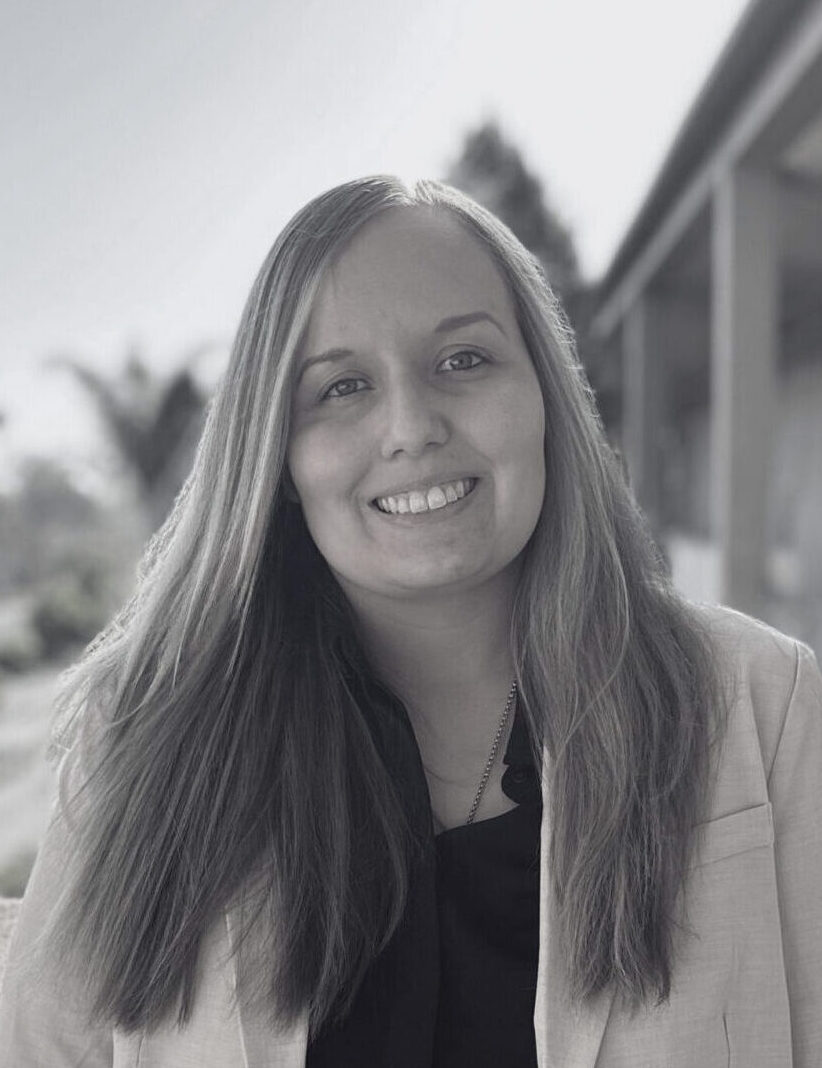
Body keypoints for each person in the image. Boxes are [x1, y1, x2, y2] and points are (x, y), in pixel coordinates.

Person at [1, 176, 820, 1068]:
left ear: (545, 395)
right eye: (342, 386)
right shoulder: (143, 735)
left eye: (464, 361)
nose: (411, 427)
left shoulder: (762, 699)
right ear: (277, 456)